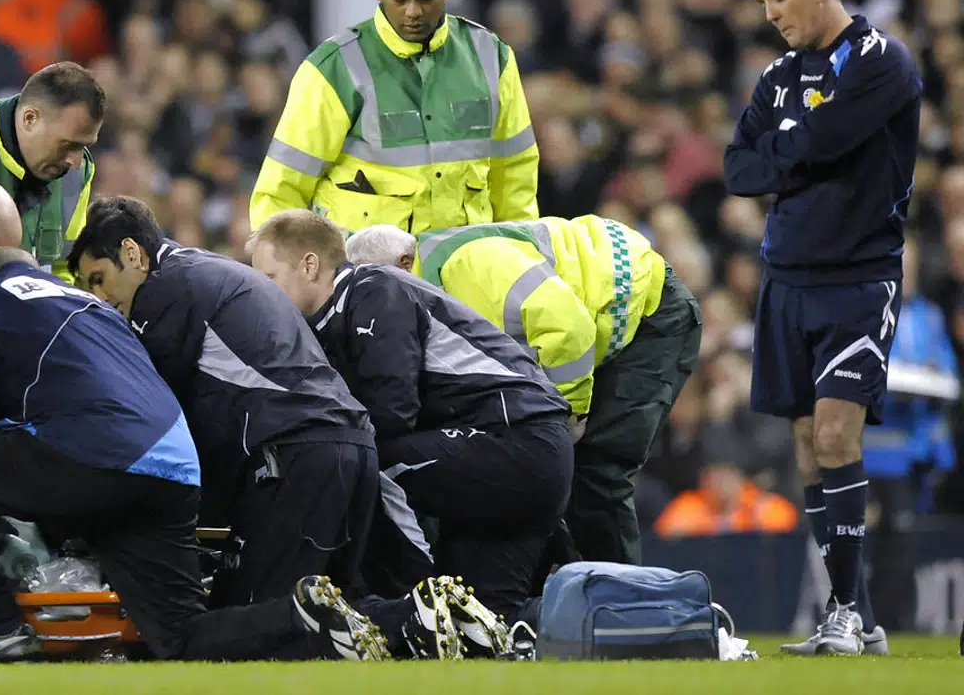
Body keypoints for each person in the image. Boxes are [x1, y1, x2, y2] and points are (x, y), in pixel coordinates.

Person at [0, 245, 400, 662]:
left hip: (94, 457)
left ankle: (0, 627)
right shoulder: (101, 307)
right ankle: (299, 614)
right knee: (180, 634)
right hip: (172, 469)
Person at [723, 0, 922, 657]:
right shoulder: (779, 77)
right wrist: (793, 146)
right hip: (785, 277)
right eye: (762, 4)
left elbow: (828, 138)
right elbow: (738, 166)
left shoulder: (880, 62)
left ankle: (841, 611)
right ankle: (857, 617)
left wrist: (787, 147)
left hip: (858, 279)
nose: (771, 14)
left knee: (838, 434)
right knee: (808, 444)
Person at [249, 210, 574, 641]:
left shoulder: (373, 288)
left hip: (516, 437)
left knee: (368, 463)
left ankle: (414, 601)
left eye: (269, 278)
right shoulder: (332, 319)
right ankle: (609, 618)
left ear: (310, 266)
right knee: (483, 622)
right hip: (518, 449)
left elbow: (391, 411)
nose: (262, 296)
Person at [68, 196, 379, 609]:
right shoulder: (208, 273)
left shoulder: (162, 293)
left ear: (132, 254)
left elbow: (148, 419)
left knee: (250, 617)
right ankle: (417, 620)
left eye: (97, 279)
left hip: (296, 456)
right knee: (335, 612)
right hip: (350, 446)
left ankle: (408, 618)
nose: (101, 298)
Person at [345, 215, 703, 568]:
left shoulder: (469, 267)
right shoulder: (428, 285)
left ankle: (619, 611)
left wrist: (569, 411)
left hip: (646, 312)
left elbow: (569, 328)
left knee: (595, 474)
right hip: (600, 316)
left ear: (405, 263)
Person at [249, 0, 538, 234]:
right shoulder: (334, 70)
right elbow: (281, 192)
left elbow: (515, 181)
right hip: (365, 276)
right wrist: (286, 275)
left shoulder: (492, 58)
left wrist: (518, 252)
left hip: (468, 269)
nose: (413, 11)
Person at [0, 61, 103, 279]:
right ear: (29, 119)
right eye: (69, 145)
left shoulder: (77, 174)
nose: (76, 161)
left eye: (84, 146)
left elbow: (65, 273)